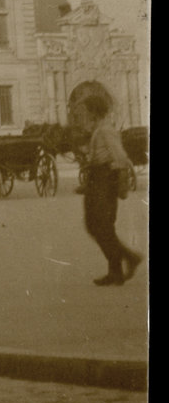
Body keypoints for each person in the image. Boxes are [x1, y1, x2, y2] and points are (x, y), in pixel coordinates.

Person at [81, 98, 142, 287]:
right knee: (97, 225)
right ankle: (115, 271)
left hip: (104, 181)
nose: (84, 115)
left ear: (93, 112)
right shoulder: (99, 130)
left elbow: (121, 157)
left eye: (86, 111)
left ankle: (130, 258)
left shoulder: (106, 130)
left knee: (99, 225)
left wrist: (109, 174)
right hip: (97, 180)